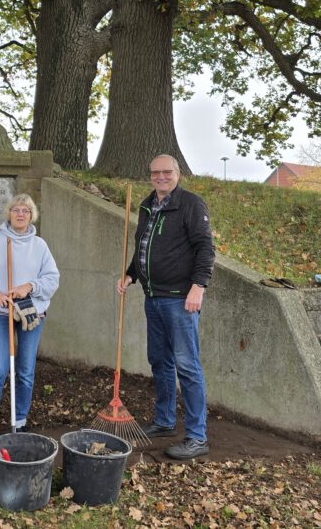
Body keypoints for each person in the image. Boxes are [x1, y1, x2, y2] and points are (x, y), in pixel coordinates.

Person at [117, 154, 215, 461]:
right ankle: (164, 421)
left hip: (180, 298)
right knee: (159, 360)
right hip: (153, 297)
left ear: (178, 173)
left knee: (187, 365)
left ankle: (197, 437)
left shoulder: (190, 204)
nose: (161, 177)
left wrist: (198, 286)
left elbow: (205, 248)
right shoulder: (148, 205)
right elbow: (144, 246)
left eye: (167, 172)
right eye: (155, 173)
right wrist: (131, 273)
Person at [0, 193, 59, 448]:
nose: (20, 214)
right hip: (1, 313)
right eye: (16, 209)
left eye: (26, 211)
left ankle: (19, 420)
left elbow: (52, 279)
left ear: (32, 216)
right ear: (9, 213)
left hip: (32, 313)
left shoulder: (39, 245)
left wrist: (28, 286)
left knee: (26, 371)